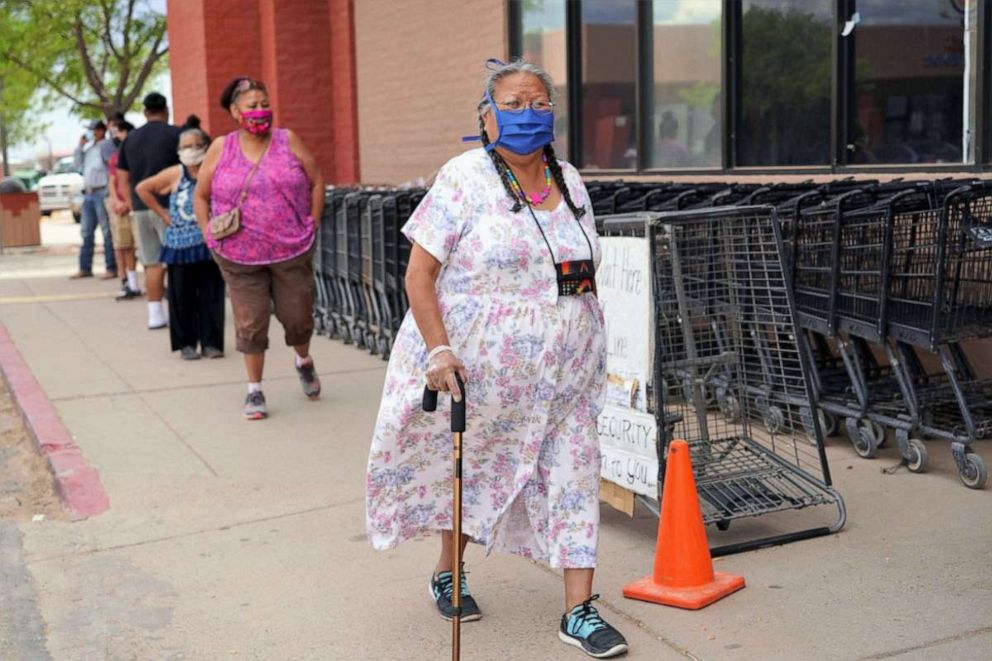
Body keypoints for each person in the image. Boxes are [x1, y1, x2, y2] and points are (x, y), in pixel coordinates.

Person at [365, 59, 628, 659]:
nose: (528, 114)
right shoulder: (462, 178)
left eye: (539, 102)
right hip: (480, 372)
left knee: (574, 478)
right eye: (513, 103)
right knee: (476, 472)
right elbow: (419, 276)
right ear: (486, 115)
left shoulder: (571, 181)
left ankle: (579, 611)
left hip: (565, 372)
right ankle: (448, 570)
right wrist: (438, 348)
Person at [193, 77, 324, 420]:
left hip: (291, 250)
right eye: (251, 106)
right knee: (251, 323)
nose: (260, 111)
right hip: (239, 255)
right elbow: (201, 194)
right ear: (236, 112)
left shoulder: (287, 140)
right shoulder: (222, 147)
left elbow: (316, 180)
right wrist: (209, 232)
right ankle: (255, 391)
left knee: (297, 317)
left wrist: (312, 222)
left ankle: (303, 360)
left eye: (264, 103)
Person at [136, 118, 225, 361]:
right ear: (178, 151)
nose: (191, 150)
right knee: (182, 296)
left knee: (211, 294)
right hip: (179, 246)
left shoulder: (214, 172)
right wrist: (163, 214)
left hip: (208, 244)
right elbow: (143, 188)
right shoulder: (175, 174)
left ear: (206, 147)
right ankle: (186, 344)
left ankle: (211, 343)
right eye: (186, 146)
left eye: (196, 145)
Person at [117, 92, 182, 329]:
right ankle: (180, 311)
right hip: (170, 207)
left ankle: (155, 314)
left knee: (152, 261)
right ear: (166, 110)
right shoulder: (176, 134)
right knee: (177, 261)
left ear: (145, 113)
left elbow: (122, 176)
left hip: (141, 206)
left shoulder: (130, 139)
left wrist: (131, 201)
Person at [70, 120, 117, 280]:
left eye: (94, 130)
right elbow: (78, 167)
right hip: (89, 192)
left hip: (102, 190)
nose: (92, 133)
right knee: (86, 231)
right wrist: (79, 148)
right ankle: (85, 267)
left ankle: (111, 266)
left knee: (106, 231)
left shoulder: (106, 146)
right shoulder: (88, 148)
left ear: (101, 131)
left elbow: (112, 166)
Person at [106, 119, 142, 299]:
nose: (115, 136)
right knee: (122, 245)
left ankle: (135, 281)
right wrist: (116, 201)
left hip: (134, 205)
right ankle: (126, 281)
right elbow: (112, 181)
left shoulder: (138, 155)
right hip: (119, 206)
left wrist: (129, 202)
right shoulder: (115, 157)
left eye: (118, 132)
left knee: (137, 246)